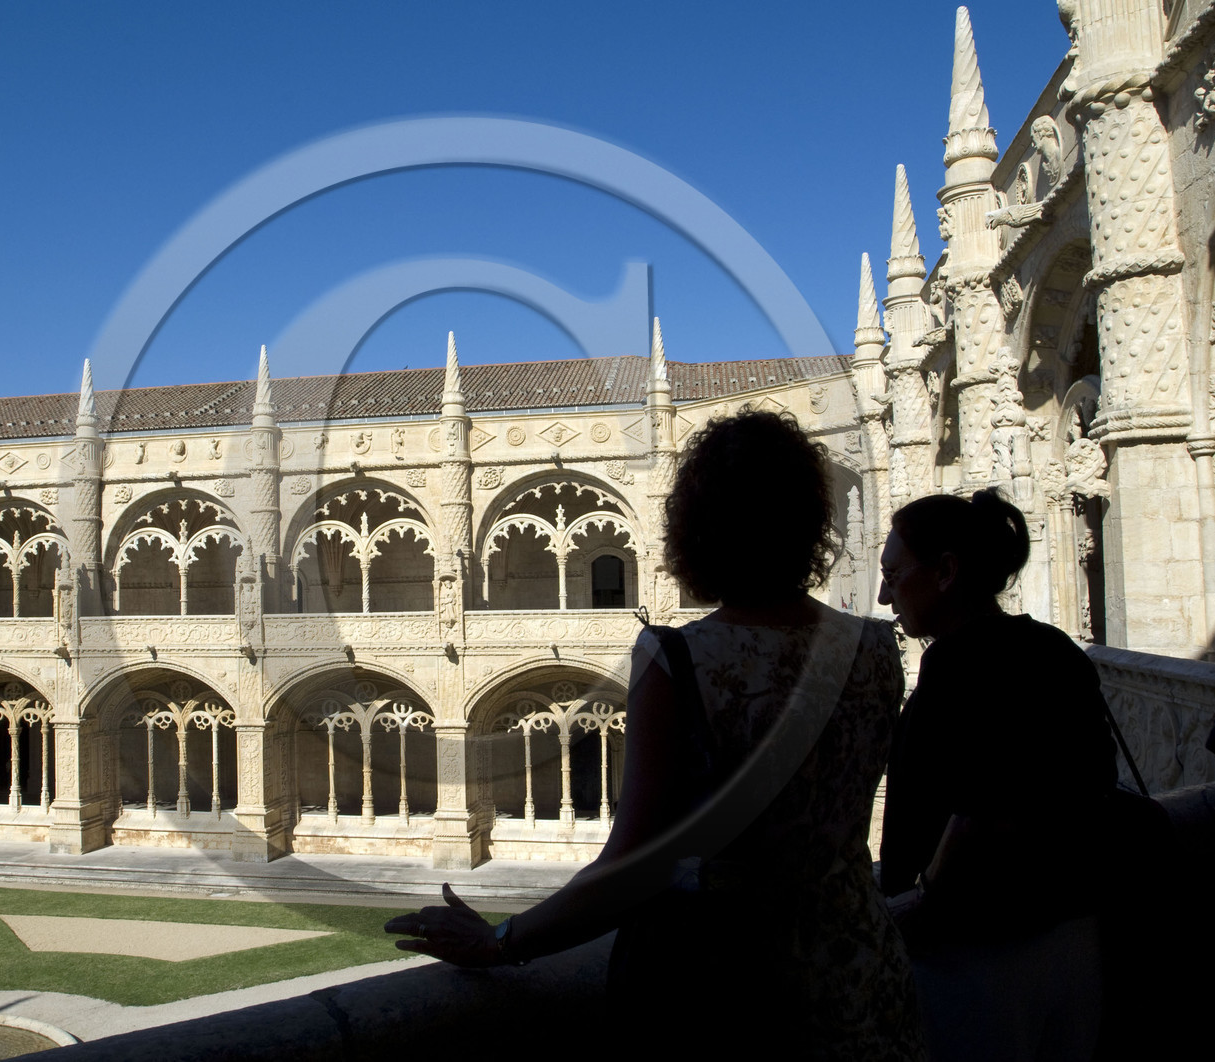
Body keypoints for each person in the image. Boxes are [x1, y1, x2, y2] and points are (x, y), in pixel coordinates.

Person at [385, 410, 925, 1058]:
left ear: (695, 530)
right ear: (809, 524)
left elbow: (633, 869)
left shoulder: (679, 658)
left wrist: (501, 941)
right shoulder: (873, 649)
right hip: (859, 969)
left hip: (723, 989)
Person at [877, 490, 1117, 1062]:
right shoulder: (1053, 648)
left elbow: (983, 815)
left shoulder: (961, 671)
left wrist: (915, 907)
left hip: (982, 957)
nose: (884, 594)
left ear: (946, 572)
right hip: (1072, 937)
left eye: (893, 574)